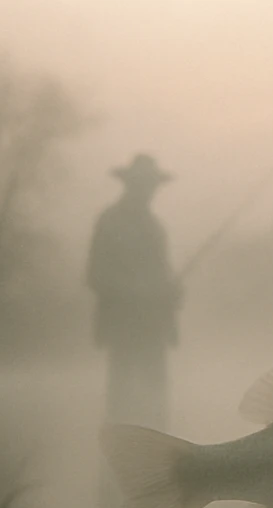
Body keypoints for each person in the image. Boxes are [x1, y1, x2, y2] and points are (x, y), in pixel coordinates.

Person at [86, 153, 182, 430]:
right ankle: (117, 464)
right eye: (143, 184)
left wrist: (171, 291)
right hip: (123, 328)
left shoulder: (156, 227)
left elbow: (163, 276)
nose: (149, 190)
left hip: (154, 329)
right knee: (121, 407)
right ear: (130, 185)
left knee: (156, 409)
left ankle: (156, 465)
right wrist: (145, 293)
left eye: (151, 185)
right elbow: (96, 276)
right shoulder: (110, 222)